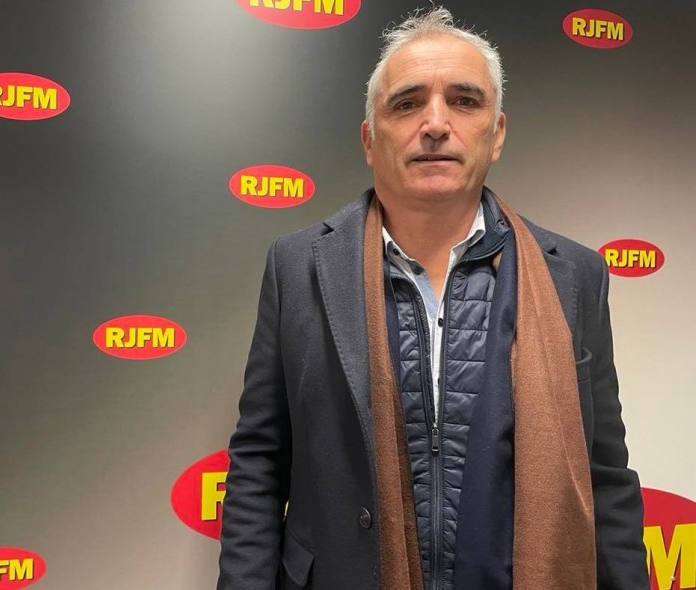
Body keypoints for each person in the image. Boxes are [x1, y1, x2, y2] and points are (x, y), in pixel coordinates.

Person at [217, 7, 647, 590]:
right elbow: (259, 463)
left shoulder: (574, 276)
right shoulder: (297, 267)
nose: (436, 124)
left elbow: (604, 476)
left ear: (497, 133)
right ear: (370, 139)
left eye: (465, 101)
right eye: (407, 103)